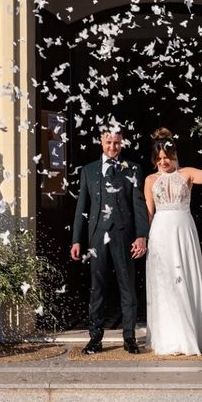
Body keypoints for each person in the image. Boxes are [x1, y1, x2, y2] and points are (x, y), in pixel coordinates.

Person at [144, 128, 202, 355]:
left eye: (167, 157)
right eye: (160, 159)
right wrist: (145, 240)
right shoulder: (149, 180)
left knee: (183, 279)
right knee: (164, 283)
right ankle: (169, 336)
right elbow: (148, 214)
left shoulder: (187, 173)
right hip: (160, 234)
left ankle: (188, 333)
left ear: (174, 155)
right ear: (155, 159)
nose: (164, 162)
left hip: (183, 231)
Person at [70, 129, 149, 355]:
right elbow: (81, 208)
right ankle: (95, 338)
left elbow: (138, 205)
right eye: (108, 142)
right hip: (97, 235)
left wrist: (141, 235)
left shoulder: (133, 169)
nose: (112, 147)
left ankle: (129, 338)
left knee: (128, 287)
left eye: (116, 143)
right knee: (97, 288)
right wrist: (76, 239)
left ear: (122, 143)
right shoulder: (89, 170)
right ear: (101, 142)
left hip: (123, 234)